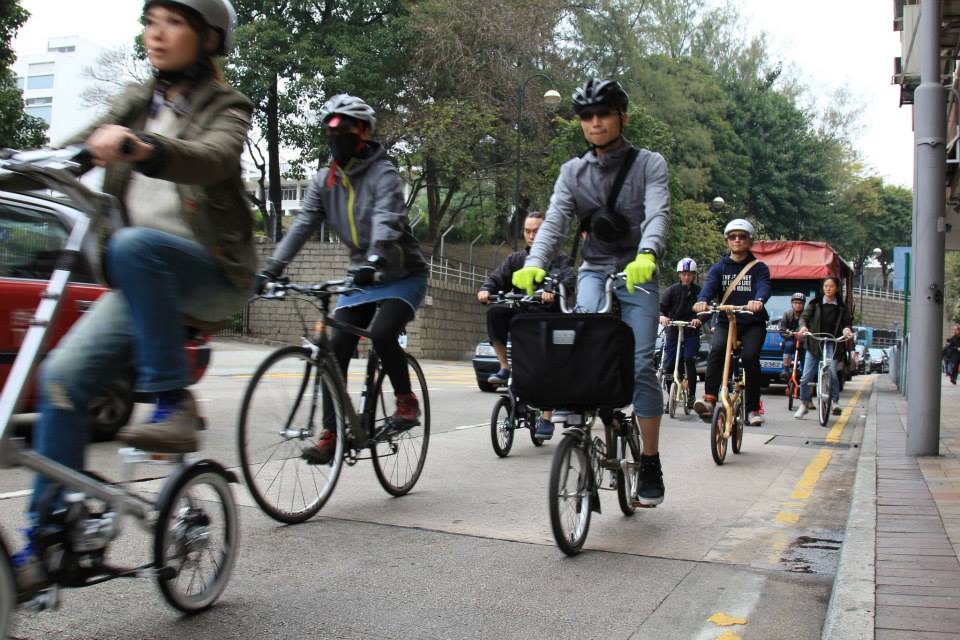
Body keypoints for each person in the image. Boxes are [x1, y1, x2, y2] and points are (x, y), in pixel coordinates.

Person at [16, 0, 254, 597]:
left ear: (207, 39)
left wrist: (144, 149)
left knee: (132, 246)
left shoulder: (226, 106)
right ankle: (50, 540)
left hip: (212, 274)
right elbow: (65, 153)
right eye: (151, 22)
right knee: (63, 383)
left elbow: (214, 158)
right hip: (142, 273)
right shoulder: (133, 101)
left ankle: (171, 402)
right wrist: (17, 169)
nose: (157, 33)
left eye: (174, 22)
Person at [512, 78, 670, 506]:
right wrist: (533, 264)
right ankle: (583, 428)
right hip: (594, 270)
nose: (595, 122)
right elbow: (555, 223)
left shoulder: (648, 164)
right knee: (582, 349)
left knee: (638, 364)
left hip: (638, 270)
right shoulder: (572, 172)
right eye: (587, 116)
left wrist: (648, 254)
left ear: (622, 117)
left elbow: (657, 214)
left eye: (604, 114)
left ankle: (650, 461)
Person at [257, 93, 428, 465]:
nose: (334, 136)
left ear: (362, 131)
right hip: (361, 277)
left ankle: (406, 402)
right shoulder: (323, 181)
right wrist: (272, 268)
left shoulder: (384, 174)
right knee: (335, 351)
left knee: (383, 334)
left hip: (401, 274)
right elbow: (302, 226)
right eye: (329, 130)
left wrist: (373, 258)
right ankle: (332, 433)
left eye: (343, 129)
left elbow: (386, 218)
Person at [477, 211, 574, 436]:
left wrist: (551, 290)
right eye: (528, 231)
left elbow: (569, 279)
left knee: (545, 368)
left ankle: (547, 418)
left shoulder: (559, 259)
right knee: (496, 314)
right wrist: (486, 289)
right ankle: (504, 367)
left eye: (536, 231)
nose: (531, 236)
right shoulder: (516, 259)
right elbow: (497, 277)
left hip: (549, 321)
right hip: (523, 318)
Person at [692, 219, 771, 426]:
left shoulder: (759, 268)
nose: (737, 240)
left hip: (753, 323)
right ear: (727, 240)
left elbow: (764, 287)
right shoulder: (718, 268)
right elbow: (709, 287)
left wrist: (758, 301)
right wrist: (702, 301)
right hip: (727, 321)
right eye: (733, 236)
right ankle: (709, 399)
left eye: (742, 236)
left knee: (750, 357)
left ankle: (753, 408)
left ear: (750, 241)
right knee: (716, 350)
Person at [793, 276, 854, 419]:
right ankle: (804, 403)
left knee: (832, 372)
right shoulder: (814, 304)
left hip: (832, 342)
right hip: (815, 342)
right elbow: (804, 318)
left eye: (831, 286)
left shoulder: (841, 307)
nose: (828, 289)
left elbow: (847, 323)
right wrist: (803, 327)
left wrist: (846, 330)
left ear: (837, 288)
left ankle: (835, 401)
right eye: (826, 286)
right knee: (806, 376)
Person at [658, 258, 702, 412]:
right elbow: (662, 308)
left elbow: (705, 309)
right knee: (669, 365)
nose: (686, 277)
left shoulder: (699, 292)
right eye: (683, 274)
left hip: (691, 331)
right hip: (673, 330)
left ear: (693, 275)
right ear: (679, 274)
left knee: (689, 359)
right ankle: (671, 395)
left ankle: (691, 395)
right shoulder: (672, 290)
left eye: (689, 274)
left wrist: (699, 319)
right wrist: (662, 316)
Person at [779, 292, 806, 379]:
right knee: (788, 345)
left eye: (800, 303)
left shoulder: (806, 315)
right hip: (791, 339)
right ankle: (786, 370)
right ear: (792, 304)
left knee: (805, 352)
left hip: (804, 341)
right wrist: (792, 335)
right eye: (795, 303)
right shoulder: (787, 314)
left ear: (803, 304)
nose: (798, 305)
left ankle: (805, 373)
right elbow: (782, 330)